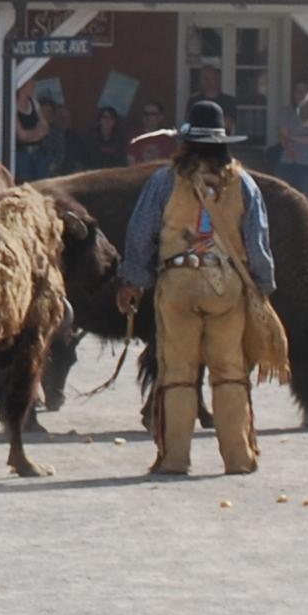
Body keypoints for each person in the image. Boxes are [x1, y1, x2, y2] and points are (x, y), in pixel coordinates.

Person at [119, 99, 273, 477]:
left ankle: (175, 459)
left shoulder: (163, 180)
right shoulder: (244, 183)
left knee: (178, 373)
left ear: (186, 141)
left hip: (177, 286)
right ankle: (238, 458)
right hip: (227, 288)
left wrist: (133, 282)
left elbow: (141, 234)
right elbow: (257, 242)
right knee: (229, 371)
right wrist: (264, 286)